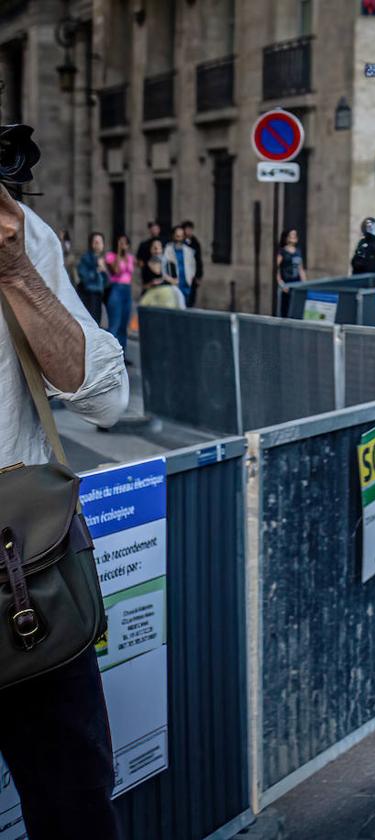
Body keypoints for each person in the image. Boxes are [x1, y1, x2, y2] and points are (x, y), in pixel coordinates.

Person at [0, 187, 127, 839]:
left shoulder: (18, 233)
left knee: (73, 807)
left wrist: (15, 268)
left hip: (26, 577)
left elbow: (103, 402)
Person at [104, 233, 135, 354]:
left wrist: (126, 255)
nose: (123, 245)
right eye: (120, 242)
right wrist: (118, 251)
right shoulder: (111, 256)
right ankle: (109, 353)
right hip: (116, 289)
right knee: (114, 325)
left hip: (127, 290)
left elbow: (131, 272)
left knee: (124, 325)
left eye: (125, 243)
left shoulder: (130, 258)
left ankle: (122, 354)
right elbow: (116, 271)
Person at [74, 231, 108, 323]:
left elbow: (106, 281)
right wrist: (96, 270)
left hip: (98, 294)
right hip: (89, 293)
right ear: (91, 244)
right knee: (90, 321)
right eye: (96, 242)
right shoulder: (86, 258)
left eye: (100, 242)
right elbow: (83, 275)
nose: (98, 245)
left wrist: (104, 271)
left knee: (97, 321)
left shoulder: (101, 259)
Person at [161, 224, 198, 307]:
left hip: (186, 284)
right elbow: (162, 267)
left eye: (181, 236)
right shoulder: (167, 250)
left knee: (185, 307)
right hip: (173, 284)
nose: (179, 238)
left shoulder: (189, 251)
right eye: (177, 236)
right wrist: (168, 278)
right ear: (173, 236)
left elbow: (193, 266)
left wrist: (191, 278)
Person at [180, 220, 203, 306]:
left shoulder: (195, 243)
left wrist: (199, 275)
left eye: (190, 229)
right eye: (187, 229)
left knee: (191, 297)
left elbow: (198, 260)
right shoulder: (179, 242)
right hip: (181, 274)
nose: (189, 231)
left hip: (192, 274)